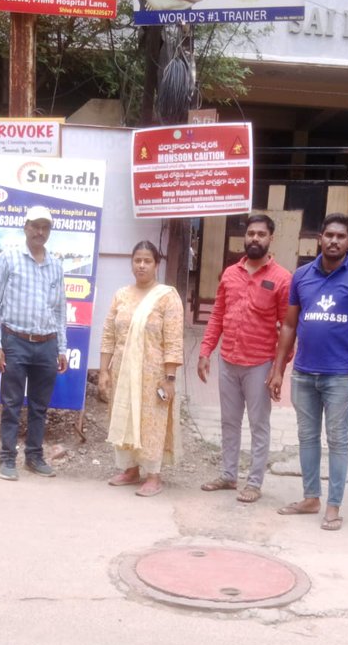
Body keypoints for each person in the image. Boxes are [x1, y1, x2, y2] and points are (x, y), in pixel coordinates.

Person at [268, 213, 348, 530]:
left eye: (340, 236)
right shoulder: (302, 276)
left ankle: (333, 506)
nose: (334, 241)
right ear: (320, 238)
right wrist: (279, 369)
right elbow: (289, 324)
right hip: (304, 372)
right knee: (306, 437)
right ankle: (310, 498)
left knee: (338, 440)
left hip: (341, 376)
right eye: (329, 235)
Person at [197, 213, 292, 503]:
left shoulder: (282, 279)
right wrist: (205, 351)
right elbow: (217, 315)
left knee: (259, 424)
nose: (255, 239)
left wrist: (278, 369)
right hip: (228, 360)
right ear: (245, 236)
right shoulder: (229, 274)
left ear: (270, 238)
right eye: (251, 233)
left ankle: (254, 483)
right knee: (229, 421)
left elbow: (288, 329)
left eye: (261, 234)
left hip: (260, 364)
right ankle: (228, 476)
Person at [0, 205, 69, 480]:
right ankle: (7, 459)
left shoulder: (56, 265)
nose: (40, 232)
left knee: (39, 406)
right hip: (15, 341)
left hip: (46, 343)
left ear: (50, 231)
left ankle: (34, 456)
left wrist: (61, 347)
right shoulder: (8, 259)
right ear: (25, 227)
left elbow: (59, 310)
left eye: (45, 227)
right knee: (11, 404)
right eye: (35, 226)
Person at [98, 241, 184, 497]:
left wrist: (169, 378)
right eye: (137, 260)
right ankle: (130, 469)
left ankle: (154, 476)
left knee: (151, 422)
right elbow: (108, 336)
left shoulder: (167, 297)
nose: (142, 265)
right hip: (122, 373)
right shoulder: (121, 295)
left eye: (147, 260)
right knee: (125, 417)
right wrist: (103, 371)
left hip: (153, 375)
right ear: (131, 263)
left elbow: (173, 341)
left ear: (157, 264)